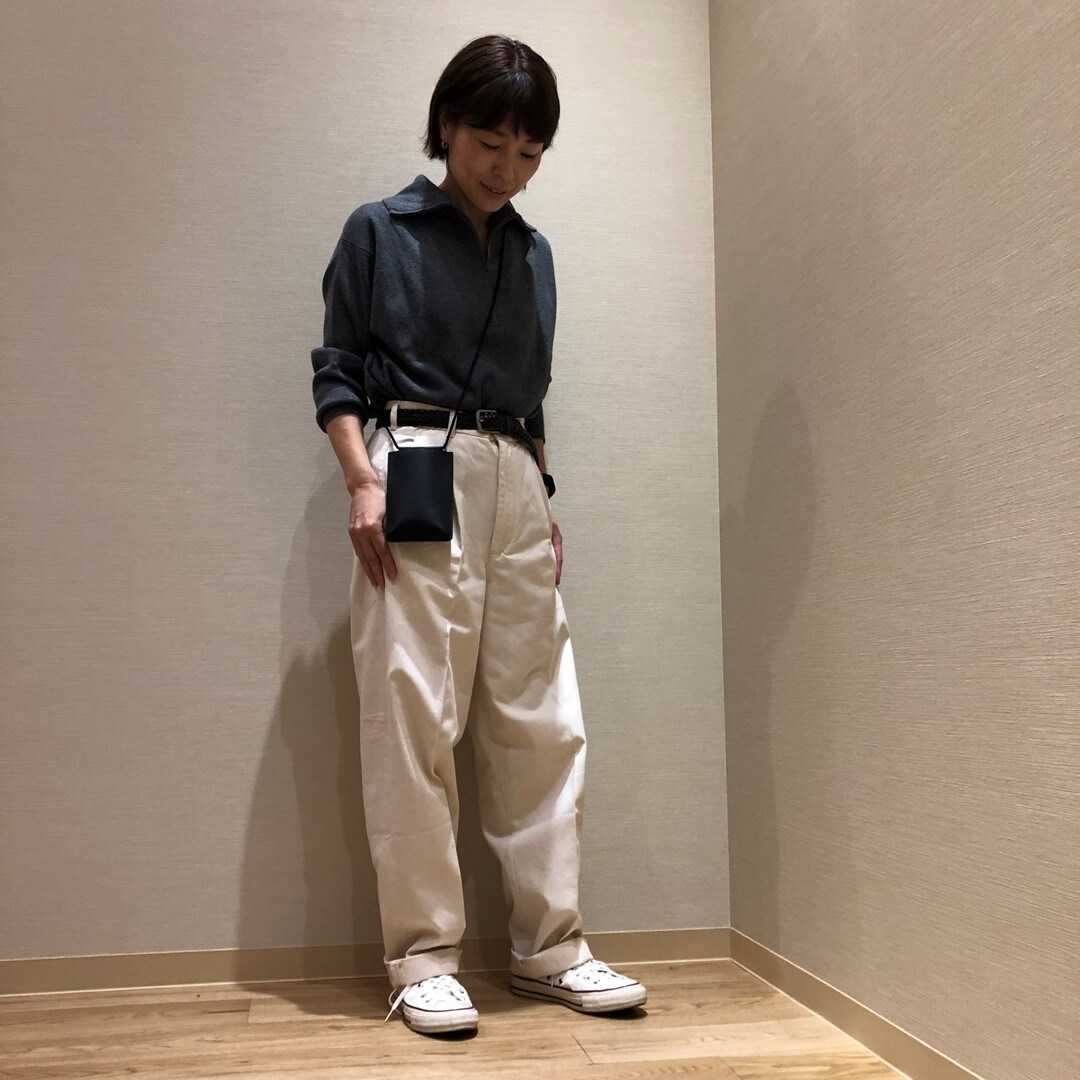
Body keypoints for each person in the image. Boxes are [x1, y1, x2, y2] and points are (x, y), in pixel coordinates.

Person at [310, 34, 647, 1037]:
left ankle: (550, 947)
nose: (508, 169)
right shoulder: (380, 231)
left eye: (530, 152)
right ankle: (421, 958)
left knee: (542, 717)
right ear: (447, 125)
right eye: (492, 143)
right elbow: (337, 370)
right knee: (414, 711)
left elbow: (531, 395)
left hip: (515, 476)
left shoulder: (534, 253)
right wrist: (361, 480)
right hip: (414, 462)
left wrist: (542, 496)